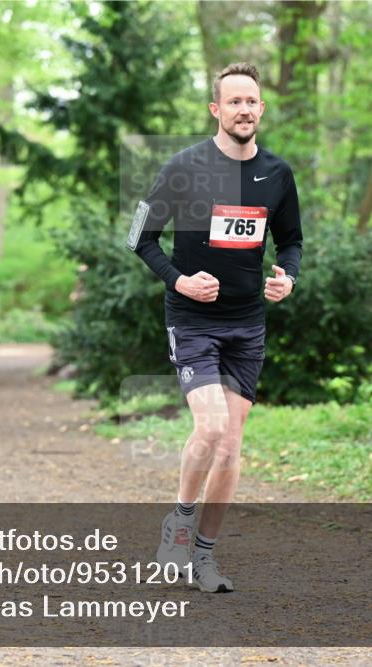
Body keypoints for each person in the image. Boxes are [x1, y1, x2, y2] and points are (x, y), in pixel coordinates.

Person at [132, 63, 302, 593]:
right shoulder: (183, 167)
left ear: (261, 109)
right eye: (234, 102)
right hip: (193, 321)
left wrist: (287, 277)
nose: (244, 110)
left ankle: (204, 557)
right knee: (210, 428)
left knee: (230, 447)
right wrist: (180, 282)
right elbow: (141, 237)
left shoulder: (277, 173)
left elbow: (291, 240)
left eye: (252, 101)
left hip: (246, 324)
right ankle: (179, 525)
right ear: (216, 110)